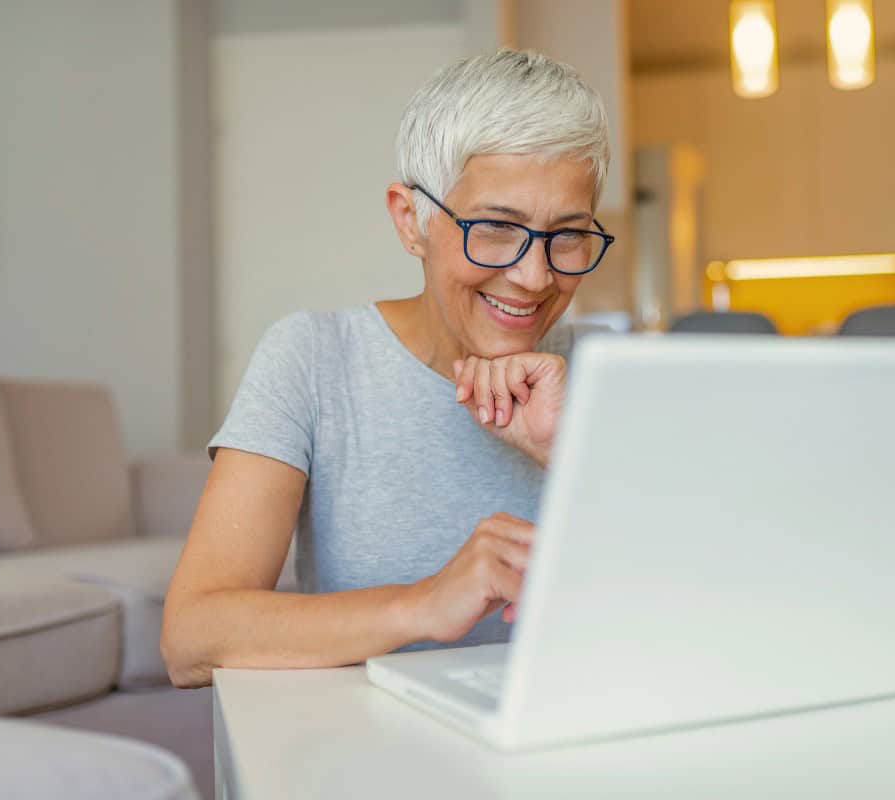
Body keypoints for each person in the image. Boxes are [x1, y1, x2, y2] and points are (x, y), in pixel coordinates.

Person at [161, 48, 614, 688]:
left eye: (567, 234)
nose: (535, 276)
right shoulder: (313, 358)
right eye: (494, 227)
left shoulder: (612, 373)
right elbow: (191, 638)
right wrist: (426, 603)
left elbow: (723, 599)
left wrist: (570, 451)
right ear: (411, 220)